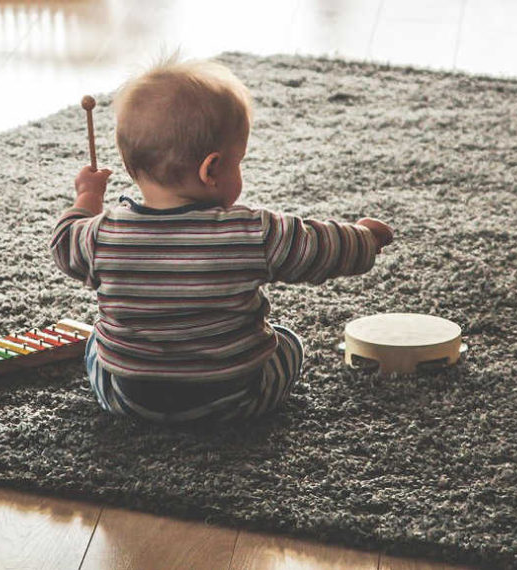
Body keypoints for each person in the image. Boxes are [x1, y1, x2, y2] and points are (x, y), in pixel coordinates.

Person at [50, 55, 394, 424]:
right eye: (238, 161)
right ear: (211, 169)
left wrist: (87, 197)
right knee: (288, 342)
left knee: (95, 343)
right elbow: (320, 247)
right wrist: (366, 238)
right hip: (235, 397)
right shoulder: (252, 232)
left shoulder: (101, 235)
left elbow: (63, 242)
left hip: (130, 399)